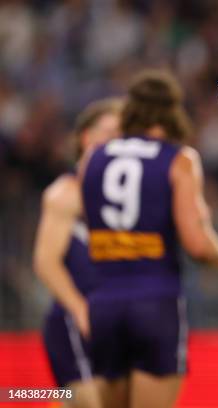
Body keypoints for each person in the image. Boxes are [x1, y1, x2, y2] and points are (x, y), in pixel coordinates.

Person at [79, 70, 218, 408]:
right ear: (173, 112)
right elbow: (196, 243)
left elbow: (92, 220)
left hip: (103, 302)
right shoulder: (179, 159)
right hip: (153, 301)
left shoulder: (93, 159)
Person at [34, 98, 123, 408]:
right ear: (87, 136)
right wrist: (81, 310)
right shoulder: (66, 193)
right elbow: (46, 262)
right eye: (110, 132)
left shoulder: (124, 196)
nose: (117, 140)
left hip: (114, 320)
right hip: (76, 324)